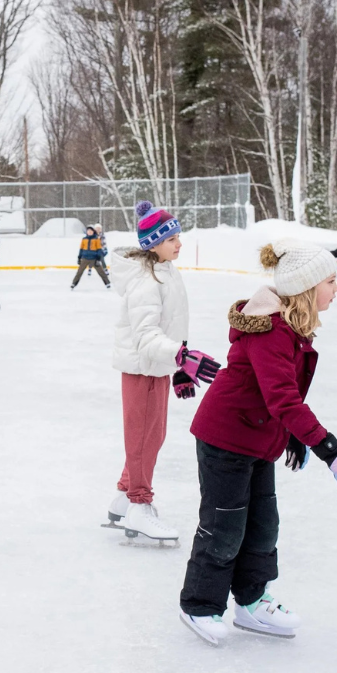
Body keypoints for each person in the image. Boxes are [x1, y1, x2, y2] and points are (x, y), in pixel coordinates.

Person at [179, 239, 337, 646]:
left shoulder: (292, 328)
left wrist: (292, 434)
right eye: (331, 281)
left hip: (257, 438)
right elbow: (283, 398)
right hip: (225, 438)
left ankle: (251, 600)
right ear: (307, 290)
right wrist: (330, 450)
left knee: (262, 525)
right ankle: (199, 604)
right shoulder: (272, 331)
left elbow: (278, 395)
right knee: (224, 526)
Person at [108, 201, 220, 544]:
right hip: (143, 370)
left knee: (151, 437)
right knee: (143, 438)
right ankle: (139, 506)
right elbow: (145, 338)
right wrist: (182, 356)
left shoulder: (166, 272)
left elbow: (171, 325)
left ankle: (122, 498)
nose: (179, 243)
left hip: (157, 368)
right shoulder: (146, 281)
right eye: (172, 238)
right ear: (153, 243)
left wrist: (179, 367)